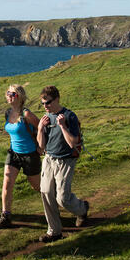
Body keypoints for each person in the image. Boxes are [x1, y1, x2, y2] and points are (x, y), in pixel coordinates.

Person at [36, 85, 89, 243]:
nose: (45, 106)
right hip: (49, 158)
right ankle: (54, 231)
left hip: (66, 160)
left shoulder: (69, 116)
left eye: (48, 103)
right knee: (45, 192)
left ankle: (82, 208)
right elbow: (41, 147)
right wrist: (40, 128)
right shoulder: (46, 118)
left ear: (57, 99)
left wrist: (63, 126)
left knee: (63, 199)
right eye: (43, 104)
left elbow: (73, 143)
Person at [0, 84, 41, 229]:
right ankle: (5, 216)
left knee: (37, 187)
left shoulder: (27, 114)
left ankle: (61, 201)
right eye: (7, 93)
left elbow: (41, 128)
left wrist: (41, 147)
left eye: (12, 93)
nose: (8, 96)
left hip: (30, 155)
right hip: (13, 154)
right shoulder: (8, 113)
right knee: (7, 183)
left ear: (19, 96)